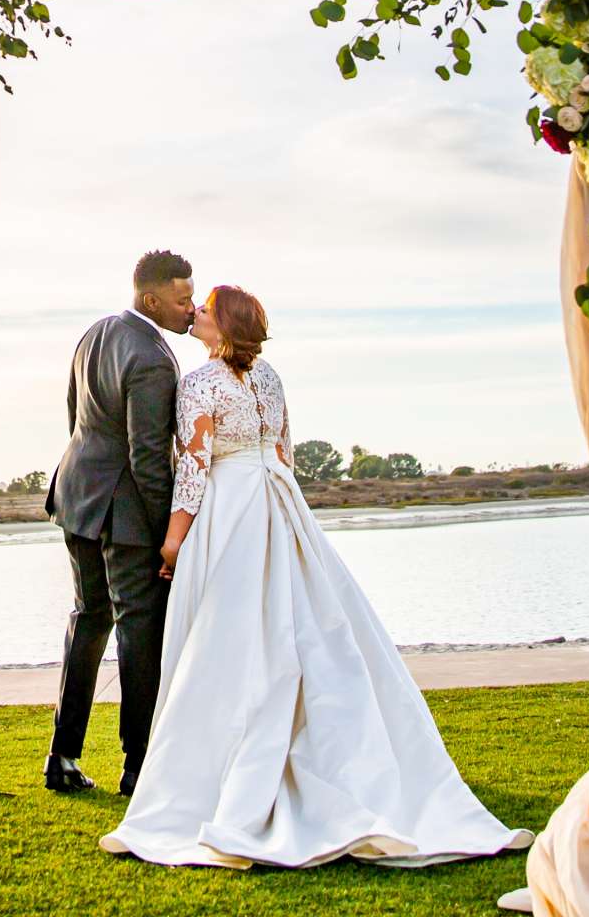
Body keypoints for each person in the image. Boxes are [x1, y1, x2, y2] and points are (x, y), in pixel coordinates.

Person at [102, 285, 532, 869]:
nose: (196, 312)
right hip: (278, 501)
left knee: (229, 640)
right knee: (305, 627)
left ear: (222, 325)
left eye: (205, 307)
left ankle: (229, 777)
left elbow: (196, 466)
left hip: (230, 508)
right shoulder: (271, 378)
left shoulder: (199, 383)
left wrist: (174, 540)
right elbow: (283, 452)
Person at [41, 249, 195, 794]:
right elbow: (148, 457)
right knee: (139, 629)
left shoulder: (96, 333)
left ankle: (62, 756)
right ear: (152, 299)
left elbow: (73, 414)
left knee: (88, 618)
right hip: (125, 512)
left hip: (76, 495)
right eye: (181, 300)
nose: (190, 309)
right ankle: (138, 765)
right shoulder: (153, 358)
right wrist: (165, 537)